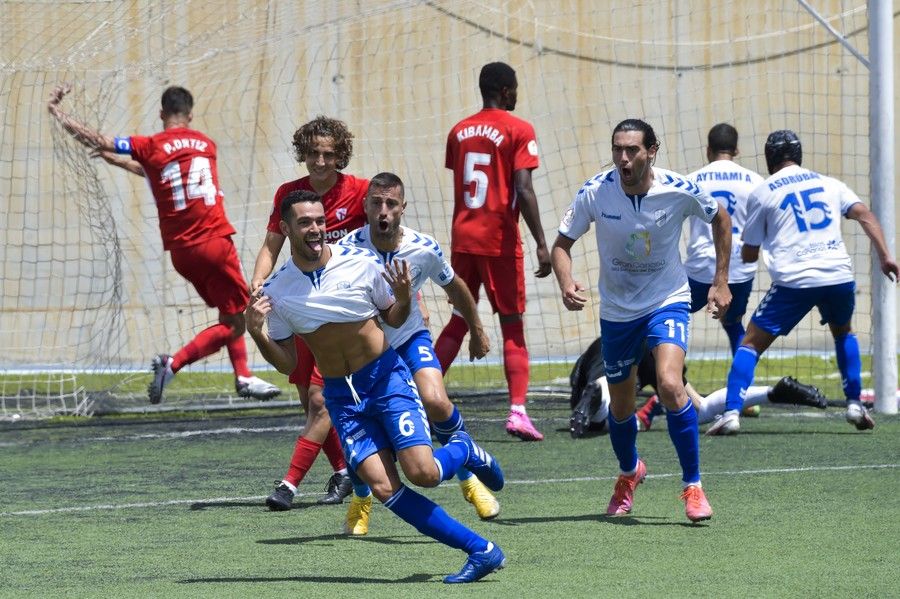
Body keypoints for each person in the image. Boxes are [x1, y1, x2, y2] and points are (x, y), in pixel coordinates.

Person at [246, 190, 506, 584]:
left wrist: (402, 297)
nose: (315, 229)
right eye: (305, 223)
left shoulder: (361, 263)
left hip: (385, 380)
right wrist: (258, 334)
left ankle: (463, 449)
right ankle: (481, 550)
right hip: (342, 397)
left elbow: (393, 315)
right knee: (384, 487)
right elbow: (289, 362)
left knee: (424, 474)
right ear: (285, 229)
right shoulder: (278, 290)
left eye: (319, 221)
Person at [46, 84, 280, 404]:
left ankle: (242, 377)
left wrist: (60, 114)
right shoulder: (206, 144)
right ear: (191, 114)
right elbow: (167, 171)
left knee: (231, 315)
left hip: (182, 253)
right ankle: (175, 364)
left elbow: (111, 147)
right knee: (239, 317)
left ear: (161, 114)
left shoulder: (150, 146)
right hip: (214, 242)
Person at [551, 118, 732, 522]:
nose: (623, 158)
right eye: (618, 149)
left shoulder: (678, 189)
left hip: (666, 299)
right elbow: (561, 244)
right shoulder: (596, 191)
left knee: (670, 383)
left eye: (632, 150)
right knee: (621, 406)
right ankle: (630, 472)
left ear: (652, 151)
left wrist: (721, 281)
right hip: (617, 312)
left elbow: (720, 218)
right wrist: (565, 282)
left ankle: (693, 486)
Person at [708, 130, 899, 436]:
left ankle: (731, 412)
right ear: (798, 155)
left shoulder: (765, 190)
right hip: (838, 274)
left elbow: (749, 252)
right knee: (843, 332)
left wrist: (753, 244)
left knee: (750, 344)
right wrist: (886, 255)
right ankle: (854, 404)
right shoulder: (830, 183)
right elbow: (864, 214)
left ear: (770, 158)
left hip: (794, 281)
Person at [338, 172, 499, 526]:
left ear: (402, 208)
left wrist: (477, 329)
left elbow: (455, 288)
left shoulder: (423, 248)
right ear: (364, 206)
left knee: (437, 401)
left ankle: (469, 477)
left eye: (391, 204)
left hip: (410, 339)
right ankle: (362, 499)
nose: (383, 211)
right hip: (367, 352)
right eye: (376, 203)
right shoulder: (345, 251)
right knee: (356, 418)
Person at [251, 116, 369, 509]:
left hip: (343, 313)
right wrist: (258, 283)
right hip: (300, 305)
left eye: (329, 154)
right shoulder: (288, 194)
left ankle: (288, 485)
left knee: (321, 403)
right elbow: (271, 247)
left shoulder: (362, 192)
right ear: (303, 153)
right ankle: (343, 472)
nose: (321, 161)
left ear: (341, 156)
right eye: (314, 153)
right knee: (311, 403)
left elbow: (385, 239)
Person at [434, 61, 552, 442]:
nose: (517, 95)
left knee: (457, 319)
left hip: (463, 238)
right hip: (499, 239)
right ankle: (518, 410)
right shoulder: (520, 129)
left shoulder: (459, 131)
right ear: (504, 91)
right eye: (514, 89)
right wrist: (541, 243)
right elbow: (524, 187)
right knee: (512, 324)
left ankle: (420, 397)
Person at [568, 336, 828, 438]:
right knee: (696, 408)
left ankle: (597, 392)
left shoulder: (589, 358)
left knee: (608, 412)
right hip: (656, 343)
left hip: (613, 353)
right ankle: (771, 393)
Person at [685, 124, 765, 356]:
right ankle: (741, 387)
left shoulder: (692, 180)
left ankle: (669, 380)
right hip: (739, 268)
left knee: (666, 316)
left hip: (701, 267)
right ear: (736, 150)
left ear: (708, 150)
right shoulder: (755, 181)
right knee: (733, 323)